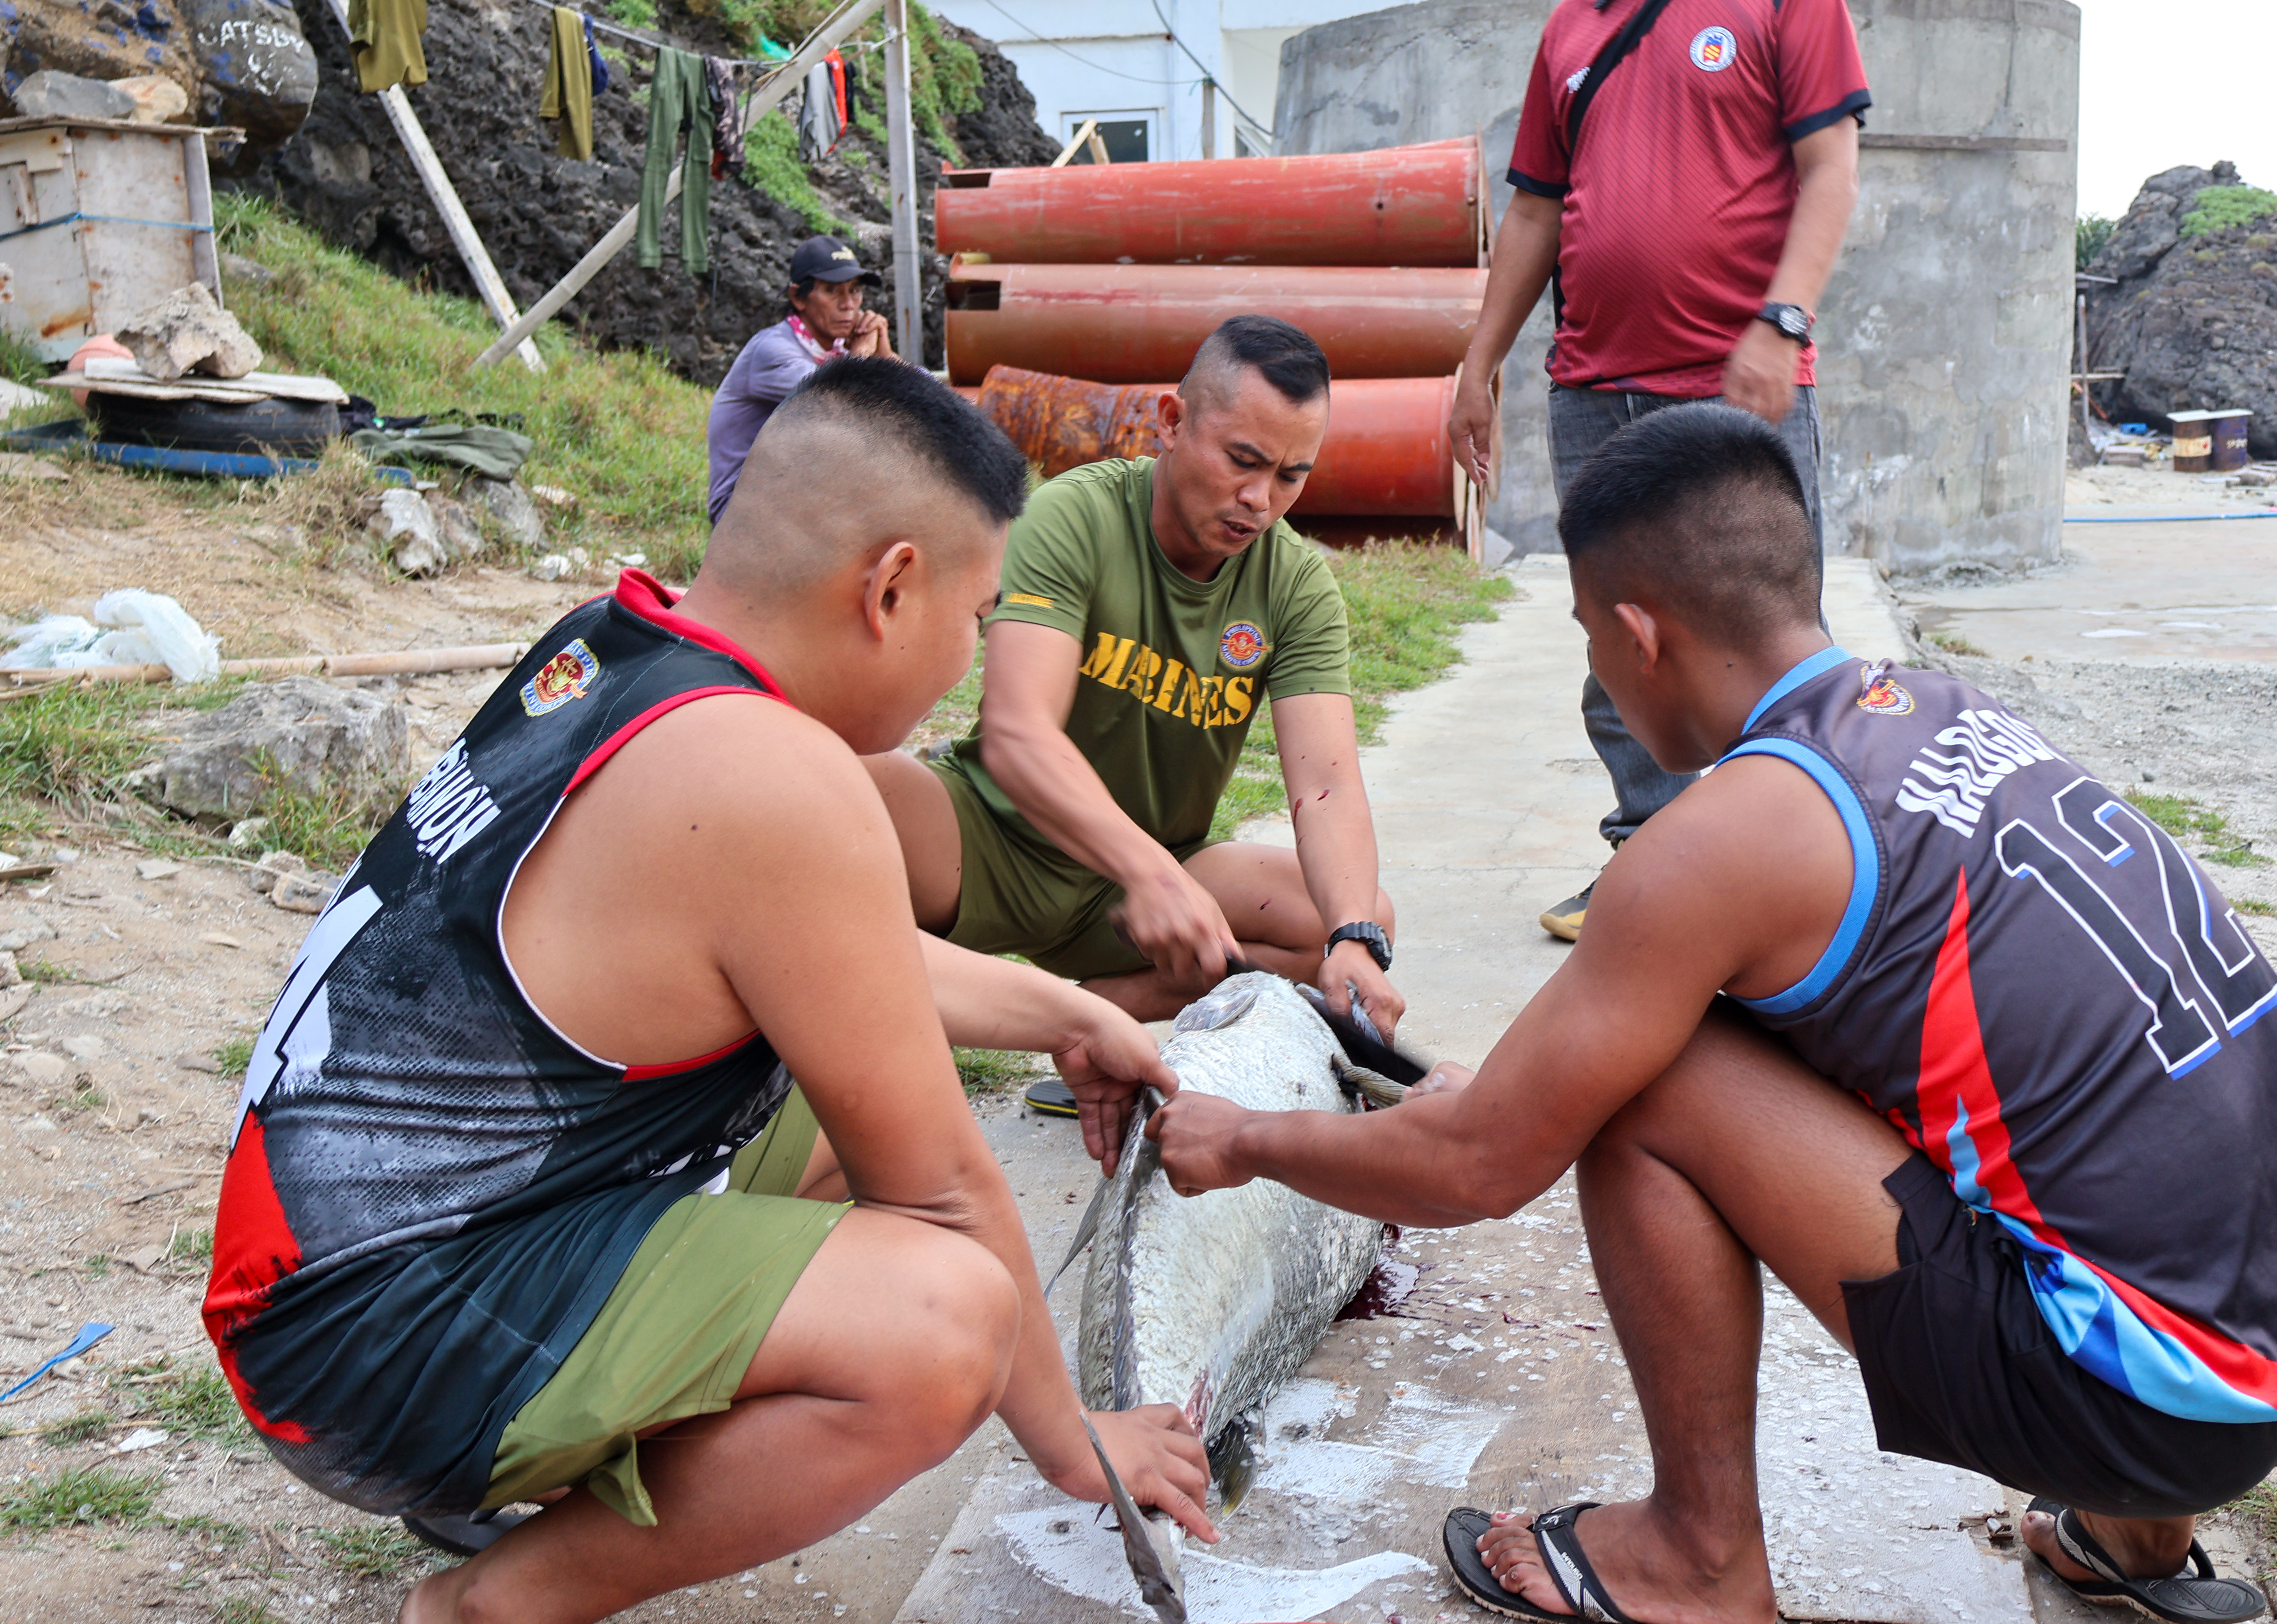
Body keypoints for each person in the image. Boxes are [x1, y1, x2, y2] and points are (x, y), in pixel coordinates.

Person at [1150, 405, 2277, 1624]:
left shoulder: (1715, 845)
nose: (1592, 665)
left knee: (1651, 1084)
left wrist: (1239, 1139)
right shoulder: (1939, 713)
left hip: (2161, 1410)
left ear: (1637, 634)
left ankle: (1695, 1561)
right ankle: (2129, 1534)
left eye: (1586, 633)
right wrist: (1512, 1084)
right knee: (1990, 1096)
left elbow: (1479, 1166)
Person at [204, 359, 1215, 1624]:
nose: (966, 662)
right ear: (890, 587)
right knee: (948, 1318)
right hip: (368, 1339)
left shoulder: (617, 644)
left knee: (846, 1086)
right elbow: (946, 1187)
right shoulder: (780, 778)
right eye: (975, 617)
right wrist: (1077, 1445)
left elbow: (836, 971)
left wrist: (1069, 1011)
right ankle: (492, 1602)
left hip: (326, 1264)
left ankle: (538, 1438)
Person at [864, 314, 1405, 1073]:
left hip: (1150, 878)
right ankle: (886, 1020)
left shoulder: (1294, 583)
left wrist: (1355, 941)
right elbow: (1020, 736)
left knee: (1355, 908)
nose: (1260, 499)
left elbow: (1327, 785)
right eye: (1242, 461)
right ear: (1173, 421)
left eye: (1291, 476)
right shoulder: (1075, 517)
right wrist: (1145, 874)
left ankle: (1099, 1016)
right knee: (829, 801)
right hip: (992, 839)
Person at [1445, 0, 1869, 942]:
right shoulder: (1570, 27)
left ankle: (1818, 880)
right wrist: (1478, 368)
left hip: (1739, 381)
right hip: (1592, 389)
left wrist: (1784, 319)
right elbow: (1532, 211)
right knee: (1621, 642)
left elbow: (1830, 169)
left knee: (1774, 640)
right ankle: (1652, 864)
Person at [704, 234, 895, 525]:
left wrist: (887, 356)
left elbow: (916, 399)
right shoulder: (773, 351)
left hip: (798, 495)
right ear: (798, 298)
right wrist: (864, 356)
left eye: (855, 291)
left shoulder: (837, 351)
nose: (848, 305)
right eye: (832, 291)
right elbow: (845, 405)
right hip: (742, 511)